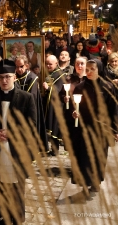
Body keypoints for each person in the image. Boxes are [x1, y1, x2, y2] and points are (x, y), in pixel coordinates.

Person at [0, 61, 37, 225]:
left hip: (16, 149)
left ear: (15, 77)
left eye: (8, 77)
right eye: (1, 77)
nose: (4, 81)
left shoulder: (26, 98)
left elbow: (32, 125)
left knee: (16, 185)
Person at [70, 59, 118, 194]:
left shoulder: (108, 87)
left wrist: (115, 130)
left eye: (93, 69)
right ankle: (85, 182)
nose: (89, 72)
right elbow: (74, 107)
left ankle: (96, 181)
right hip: (84, 128)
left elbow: (114, 110)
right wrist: (74, 112)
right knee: (84, 157)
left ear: (99, 70)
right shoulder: (80, 87)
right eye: (87, 69)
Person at [15, 55, 49, 152]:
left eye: (21, 66)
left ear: (26, 66)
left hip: (29, 109)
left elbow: (30, 97)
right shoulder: (15, 76)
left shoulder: (32, 78)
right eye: (16, 67)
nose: (18, 69)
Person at [42, 55, 67, 155]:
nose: (48, 66)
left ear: (56, 63)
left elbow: (59, 90)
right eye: (46, 63)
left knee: (54, 127)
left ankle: (55, 150)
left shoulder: (61, 74)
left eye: (50, 64)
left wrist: (48, 88)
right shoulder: (48, 73)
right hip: (48, 103)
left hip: (56, 105)